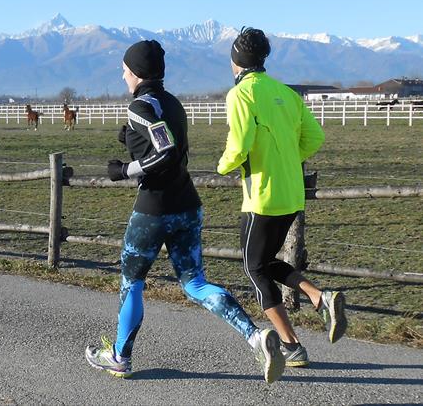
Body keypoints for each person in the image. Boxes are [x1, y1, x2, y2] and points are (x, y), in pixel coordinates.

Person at [85, 39, 285, 383]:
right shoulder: (173, 103)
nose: (122, 75)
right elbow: (166, 140)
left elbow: (165, 151)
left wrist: (125, 170)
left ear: (136, 72)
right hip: (188, 206)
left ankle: (120, 356)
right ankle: (256, 337)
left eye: (124, 69)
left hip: (153, 210)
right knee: (195, 284)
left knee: (131, 282)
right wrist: (131, 139)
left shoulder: (139, 105)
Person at [217, 27, 347, 367]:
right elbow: (315, 137)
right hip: (292, 193)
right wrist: (288, 159)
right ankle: (321, 298)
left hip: (261, 195)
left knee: (253, 267)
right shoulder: (287, 94)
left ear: (236, 59)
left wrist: (222, 166)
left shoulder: (241, 94)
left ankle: (291, 345)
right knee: (264, 261)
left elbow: (240, 144)